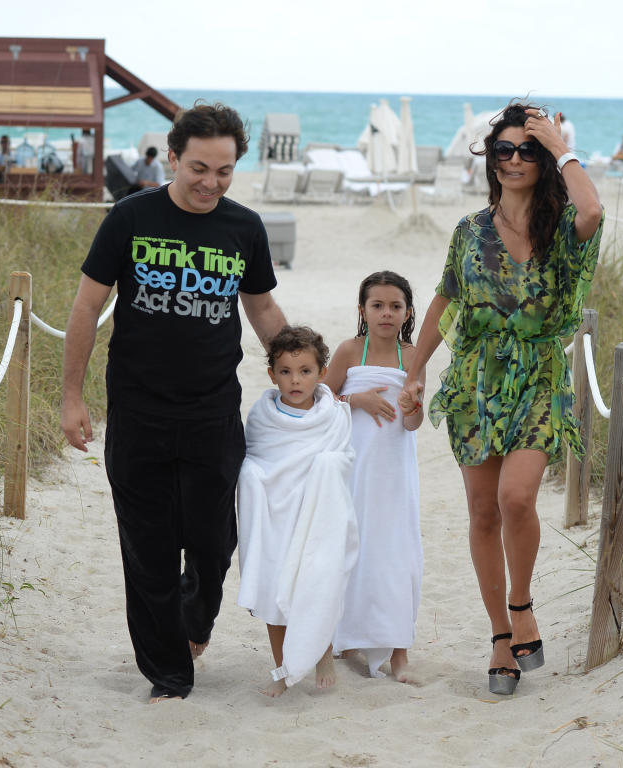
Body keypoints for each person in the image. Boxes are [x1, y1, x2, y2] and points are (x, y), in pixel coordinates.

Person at [61, 102, 287, 703]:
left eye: (225, 170)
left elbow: (261, 308)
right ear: (172, 157)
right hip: (138, 412)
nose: (212, 182)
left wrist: (300, 374)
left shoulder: (243, 228)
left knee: (214, 543)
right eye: (199, 169)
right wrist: (71, 396)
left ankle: (196, 618)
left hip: (213, 411)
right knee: (149, 547)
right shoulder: (130, 218)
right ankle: (168, 674)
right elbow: (87, 306)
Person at [398, 102, 603, 696]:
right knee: (483, 511)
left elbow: (592, 208)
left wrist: (560, 143)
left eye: (527, 150)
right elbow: (444, 300)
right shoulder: (470, 230)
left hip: (537, 377)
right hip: (475, 384)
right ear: (490, 159)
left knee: (517, 499)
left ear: (544, 161)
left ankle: (520, 605)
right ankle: (498, 639)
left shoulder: (562, 228)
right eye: (504, 150)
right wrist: (415, 371)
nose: (514, 159)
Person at [236, 325, 358, 697]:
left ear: (322, 373)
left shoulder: (334, 415)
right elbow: (255, 460)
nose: (295, 380)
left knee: (315, 583)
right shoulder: (261, 416)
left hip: (316, 514)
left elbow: (344, 459)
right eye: (285, 372)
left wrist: (325, 468)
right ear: (272, 374)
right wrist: (253, 478)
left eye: (305, 371)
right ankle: (284, 670)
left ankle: (321, 652)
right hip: (274, 518)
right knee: (274, 592)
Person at [325, 271, 424, 683]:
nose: (386, 313)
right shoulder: (350, 350)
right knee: (352, 548)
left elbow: (416, 422)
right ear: (363, 310)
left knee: (397, 554)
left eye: (395, 306)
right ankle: (347, 639)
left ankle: (398, 653)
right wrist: (356, 399)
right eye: (377, 305)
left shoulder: (412, 355)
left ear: (407, 312)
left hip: (395, 470)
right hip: (354, 465)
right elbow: (320, 399)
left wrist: (411, 405)